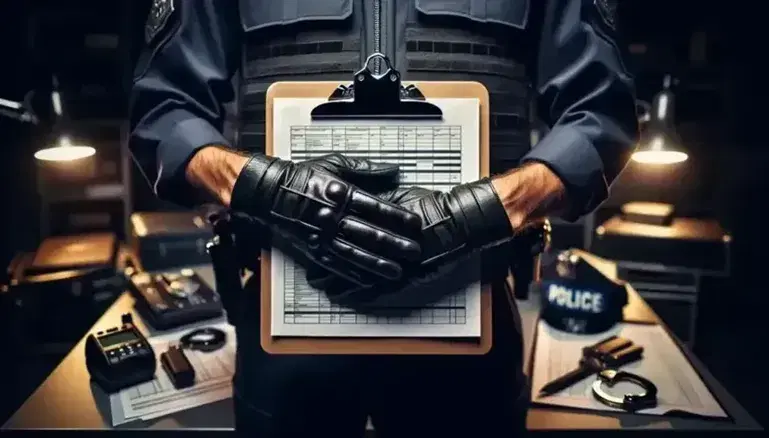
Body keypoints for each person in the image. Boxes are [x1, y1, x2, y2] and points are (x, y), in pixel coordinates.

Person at [129, 0, 638, 436]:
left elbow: (599, 115)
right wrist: (268, 190)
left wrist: (481, 214)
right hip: (285, 329)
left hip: (471, 321)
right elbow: (165, 111)